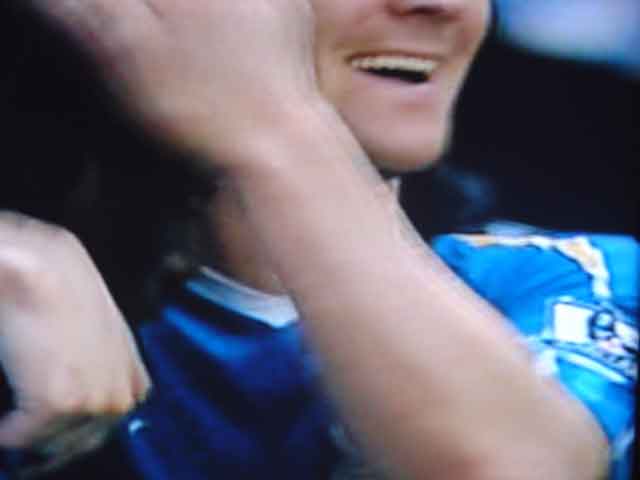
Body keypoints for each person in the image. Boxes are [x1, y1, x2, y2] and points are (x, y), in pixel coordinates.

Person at [0, 1, 635, 479]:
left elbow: (510, 467)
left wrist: (271, 122)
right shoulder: (20, 292)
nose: (441, 5)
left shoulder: (566, 278)